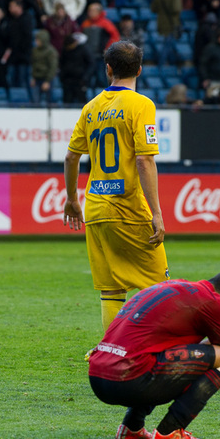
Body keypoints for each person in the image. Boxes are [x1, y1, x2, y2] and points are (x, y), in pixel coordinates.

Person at [63, 40, 169, 334]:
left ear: (107, 68)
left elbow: (72, 156)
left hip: (96, 207)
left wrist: (72, 199)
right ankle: (160, 352)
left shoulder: (91, 107)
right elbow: (145, 161)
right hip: (127, 207)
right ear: (139, 69)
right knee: (163, 288)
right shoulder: (141, 104)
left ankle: (113, 354)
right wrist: (157, 214)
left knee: (112, 290)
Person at [89, 272, 220, 439]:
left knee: (168, 355)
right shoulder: (213, 302)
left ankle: (131, 430)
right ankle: (170, 433)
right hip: (129, 380)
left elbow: (197, 352)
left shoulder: (175, 286)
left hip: (98, 376)